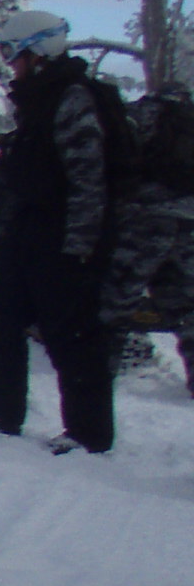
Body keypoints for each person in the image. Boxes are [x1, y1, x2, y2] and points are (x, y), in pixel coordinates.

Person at [0, 11, 119, 453]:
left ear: (38, 52)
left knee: (71, 333)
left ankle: (88, 433)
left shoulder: (73, 99)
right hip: (28, 230)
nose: (9, 64)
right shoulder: (40, 99)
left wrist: (81, 247)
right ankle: (0, 408)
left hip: (65, 236)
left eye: (13, 54)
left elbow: (90, 178)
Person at [101, 87, 194, 393]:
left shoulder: (135, 116)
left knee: (114, 305)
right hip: (187, 222)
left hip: (141, 221)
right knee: (189, 307)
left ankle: (96, 383)